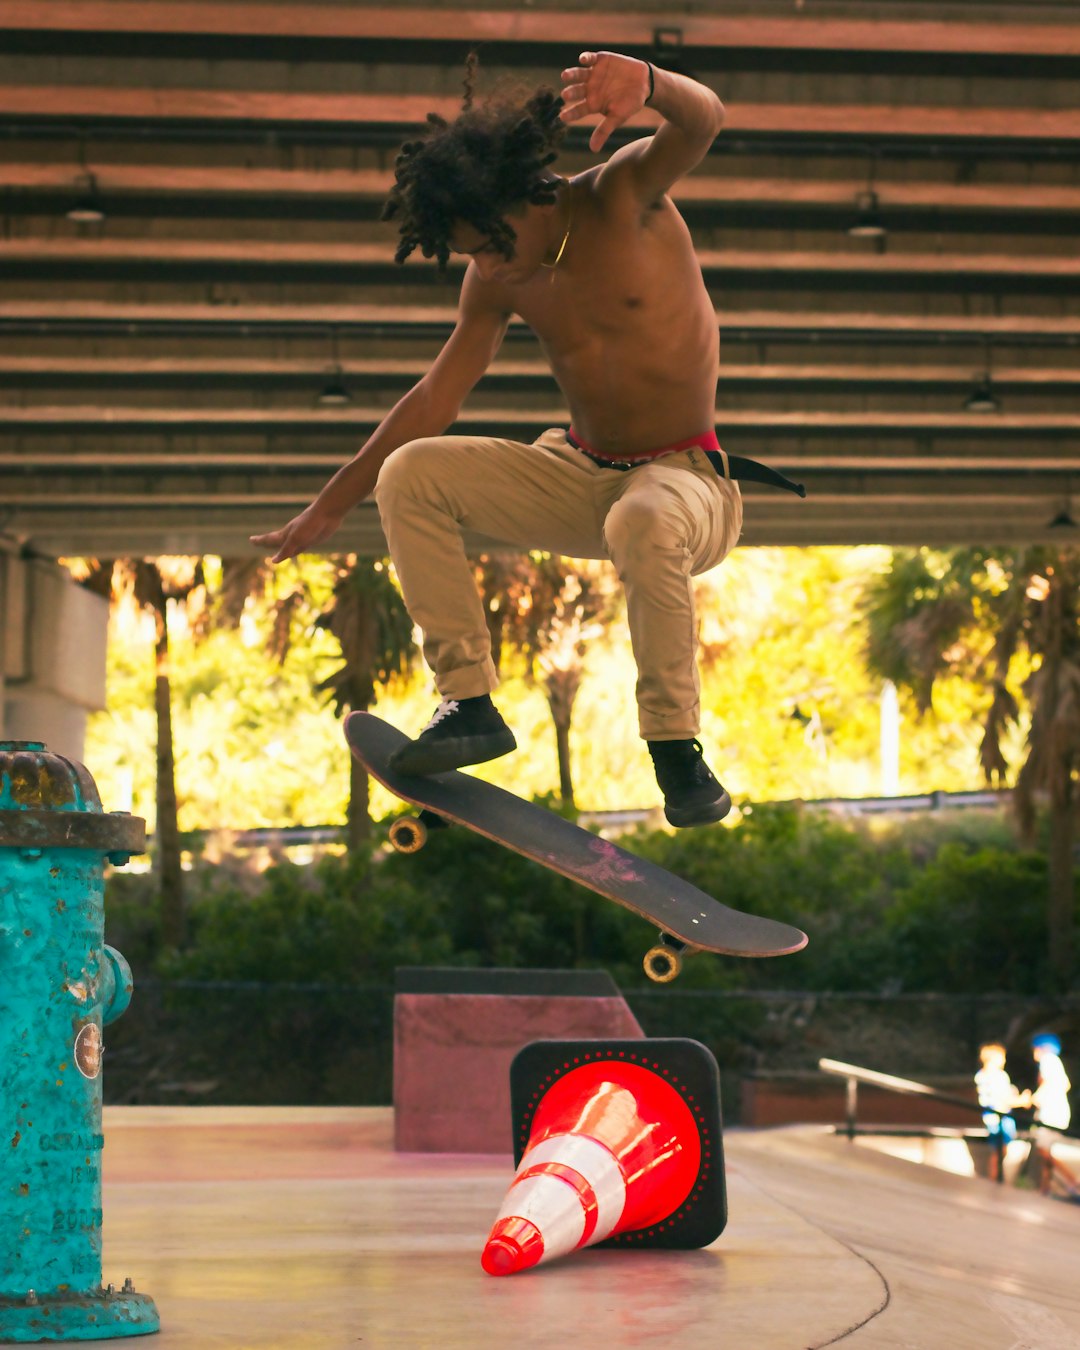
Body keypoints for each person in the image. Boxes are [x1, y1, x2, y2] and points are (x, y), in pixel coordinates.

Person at [252, 50, 803, 827]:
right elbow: (436, 397)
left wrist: (650, 85)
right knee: (411, 472)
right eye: (471, 253)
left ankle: (677, 755)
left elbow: (705, 120)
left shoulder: (624, 197)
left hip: (688, 485)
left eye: (490, 242)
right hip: (577, 472)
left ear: (529, 195)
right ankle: (468, 703)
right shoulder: (494, 279)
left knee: (641, 517)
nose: (485, 264)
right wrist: (331, 505)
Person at [1029, 1032, 1073, 1196]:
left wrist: (1037, 1097)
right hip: (1056, 1112)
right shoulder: (1056, 1062)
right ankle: (1044, 1187)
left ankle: (1072, 1180)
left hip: (1051, 1113)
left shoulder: (1048, 1060)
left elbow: (1055, 1083)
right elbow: (1065, 1084)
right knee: (1046, 1152)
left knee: (1043, 1151)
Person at [973, 1042, 1023, 1182]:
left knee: (1000, 1150)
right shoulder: (997, 1076)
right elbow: (1003, 1098)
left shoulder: (982, 1076)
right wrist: (1021, 1100)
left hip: (993, 1116)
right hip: (999, 1116)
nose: (1004, 1060)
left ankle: (996, 1178)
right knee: (999, 1150)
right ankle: (994, 1179)